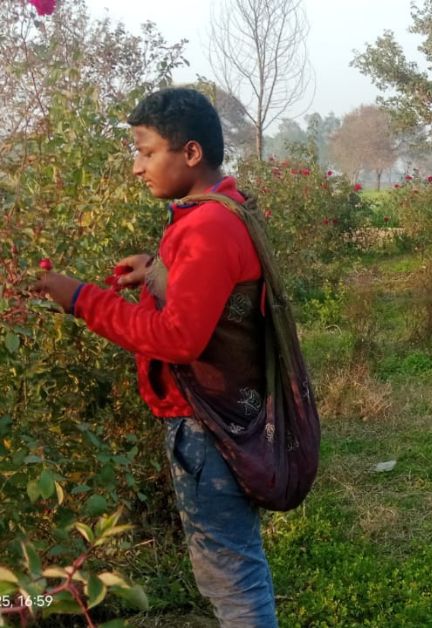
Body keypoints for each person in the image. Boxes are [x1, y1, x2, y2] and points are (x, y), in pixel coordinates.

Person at [35, 87, 278, 626]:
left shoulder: (207, 227)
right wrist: (159, 269)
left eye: (146, 152)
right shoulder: (220, 210)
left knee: (232, 580)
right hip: (227, 415)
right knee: (235, 569)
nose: (136, 167)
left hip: (207, 427)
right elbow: (218, 300)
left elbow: (178, 339)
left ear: (190, 154)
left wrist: (79, 297)